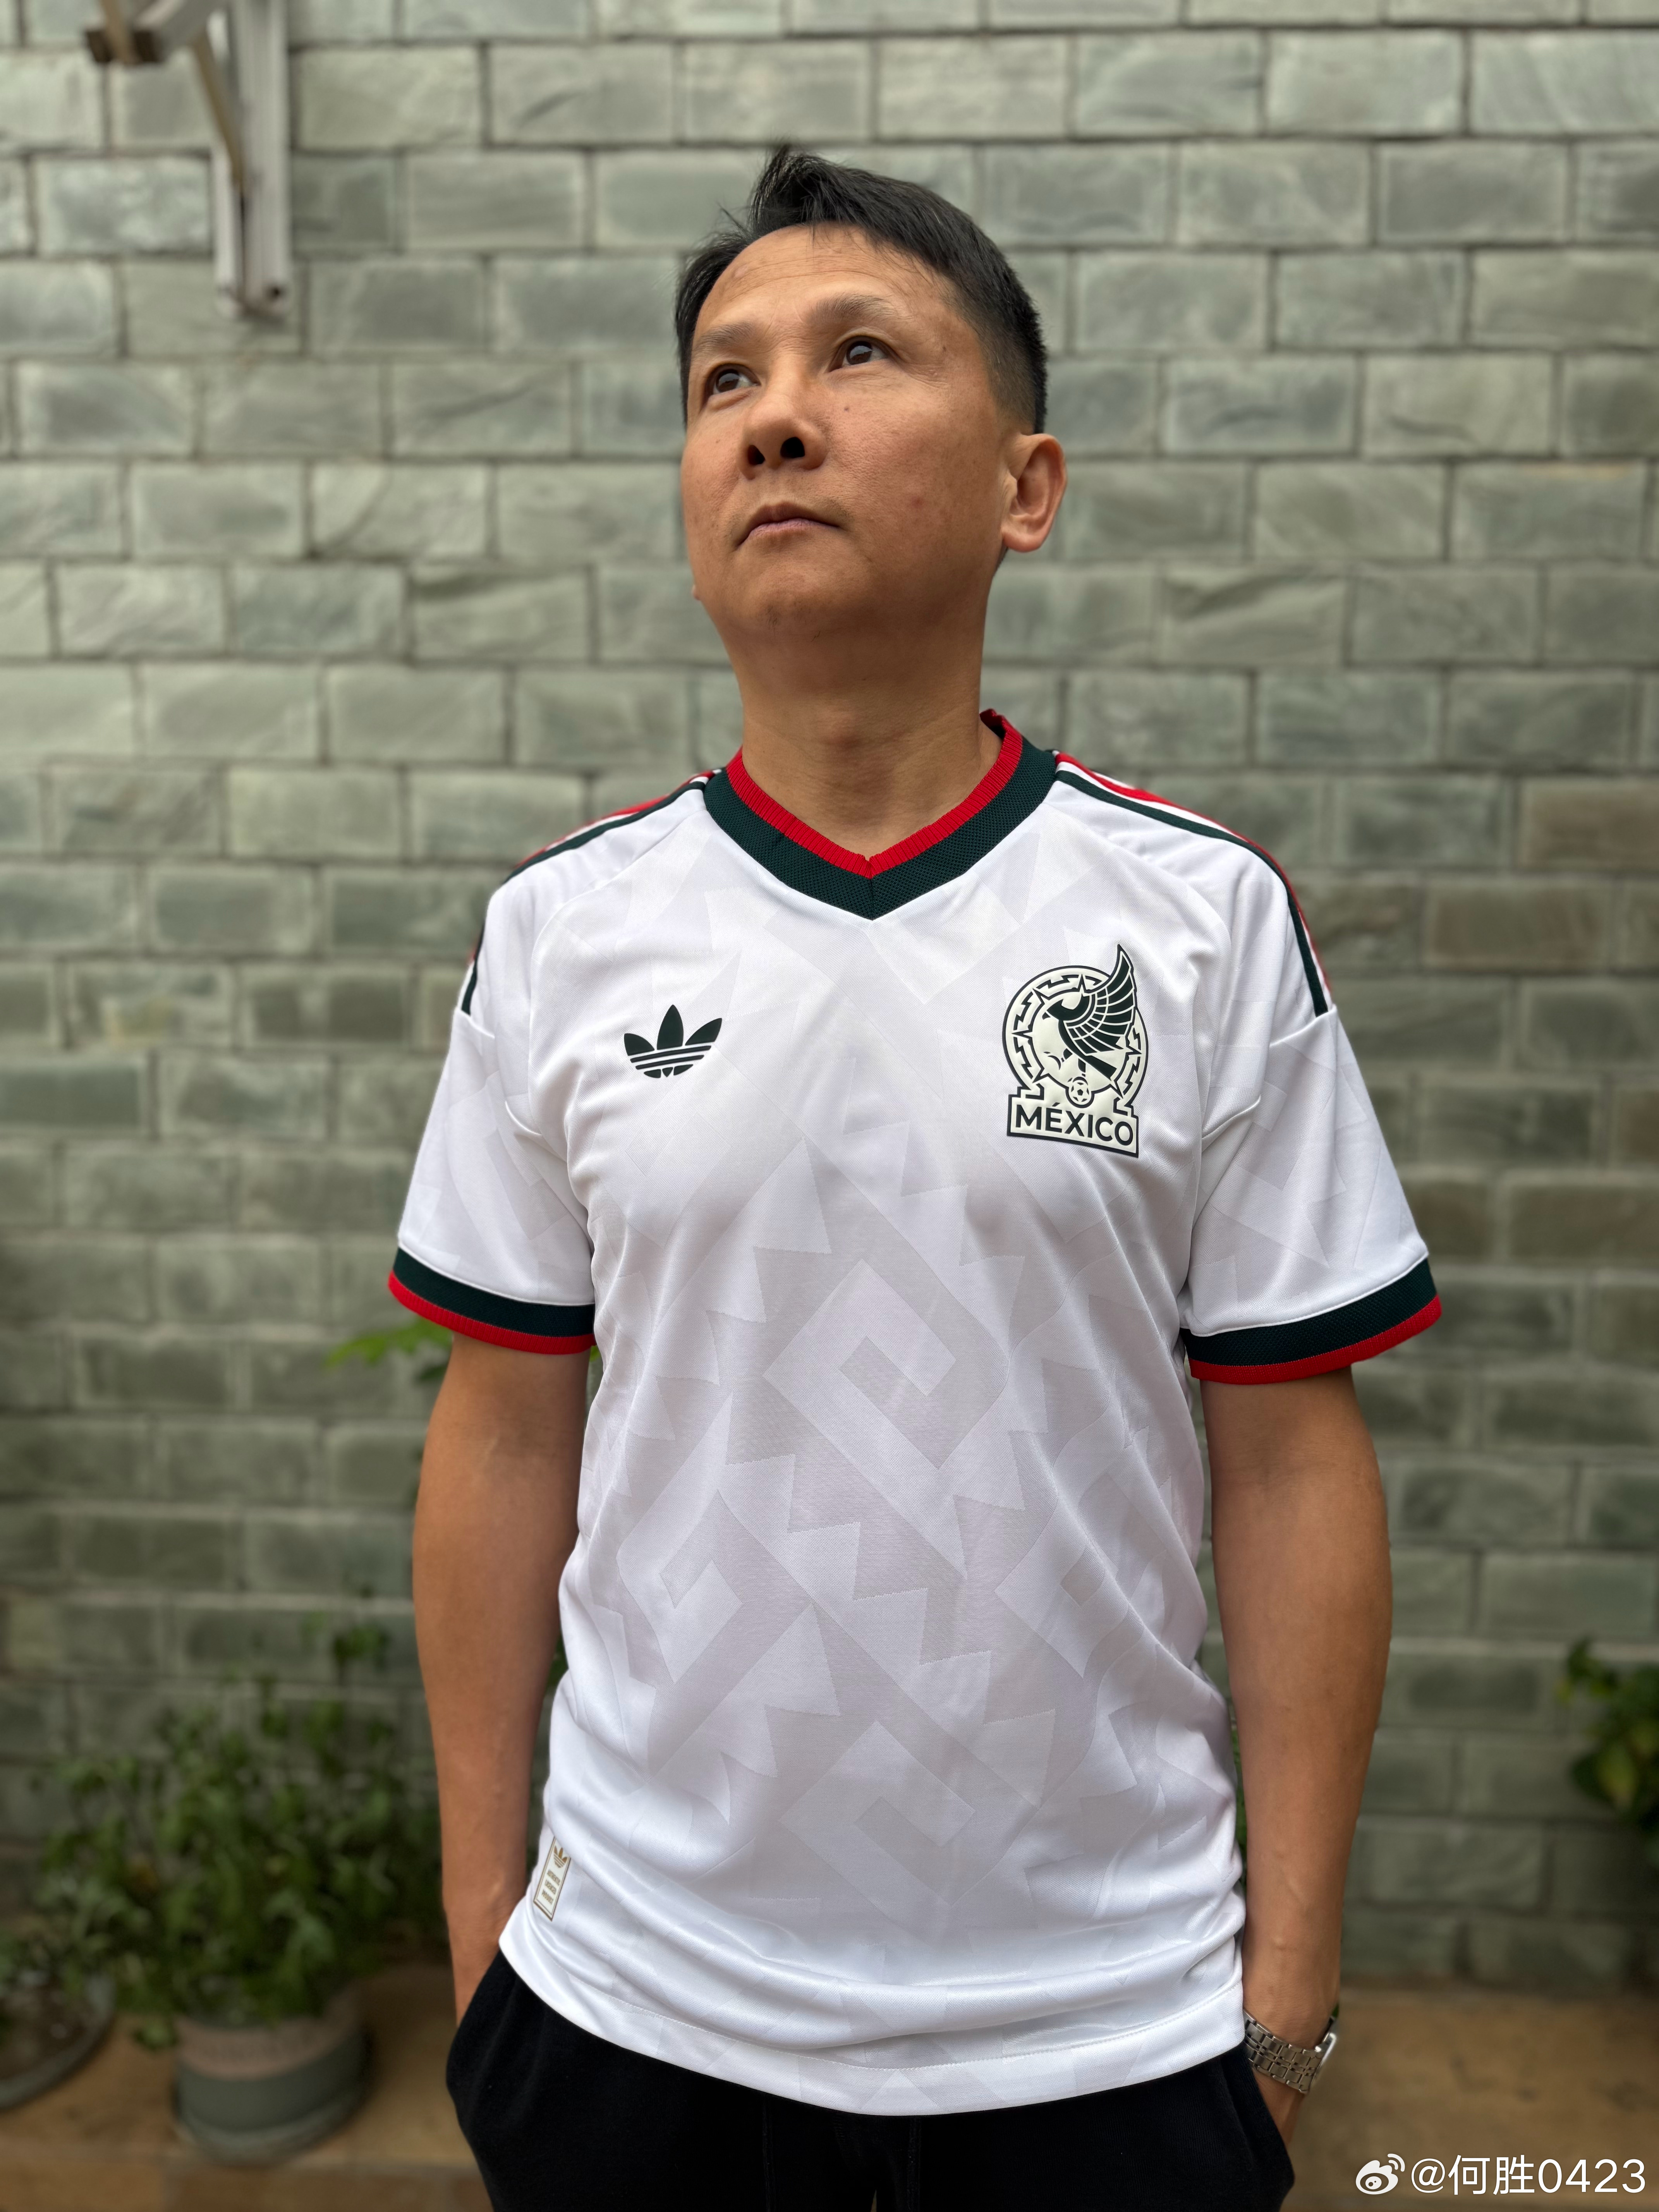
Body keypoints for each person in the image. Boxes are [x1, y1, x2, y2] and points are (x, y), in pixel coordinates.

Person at [394, 148, 1438, 2212]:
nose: (774, 416)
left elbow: (1292, 1462)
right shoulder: (564, 935)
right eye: (725, 379)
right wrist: (482, 1943)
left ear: (1025, 488)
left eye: (860, 354)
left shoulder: (1195, 925)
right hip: (634, 2018)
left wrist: (1288, 2005)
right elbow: (504, 1436)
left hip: (1110, 2026)